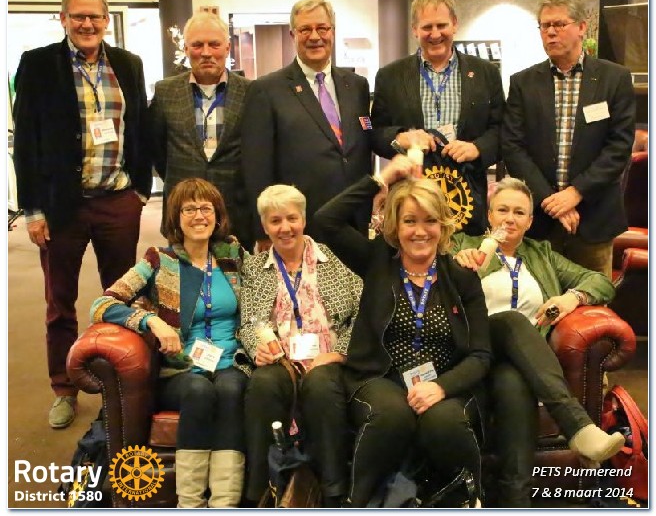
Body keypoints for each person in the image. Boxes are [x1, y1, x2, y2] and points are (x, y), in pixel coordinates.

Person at [12, 0, 151, 429]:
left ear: (107, 20)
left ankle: (119, 385)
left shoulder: (128, 64)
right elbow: (26, 141)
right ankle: (64, 389)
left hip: (117, 202)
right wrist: (33, 210)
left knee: (122, 298)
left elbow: (140, 127)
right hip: (62, 208)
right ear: (63, 19)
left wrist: (140, 191)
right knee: (60, 302)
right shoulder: (38, 65)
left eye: (95, 16)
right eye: (78, 16)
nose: (87, 24)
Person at [314, 155, 491, 507]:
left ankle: (470, 501)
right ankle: (356, 504)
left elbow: (480, 355)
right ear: (395, 225)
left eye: (429, 220)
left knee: (444, 421)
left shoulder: (461, 277)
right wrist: (382, 178)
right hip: (383, 379)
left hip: (445, 382)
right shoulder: (377, 261)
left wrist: (440, 387)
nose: (420, 231)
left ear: (443, 225)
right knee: (391, 415)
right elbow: (324, 220)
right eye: (410, 221)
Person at [452, 177, 625, 507]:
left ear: (530, 221)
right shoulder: (464, 246)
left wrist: (571, 297)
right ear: (489, 215)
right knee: (512, 320)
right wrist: (468, 261)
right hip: (475, 348)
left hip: (521, 363)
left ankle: (516, 502)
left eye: (519, 213)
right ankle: (577, 426)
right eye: (502, 210)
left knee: (513, 384)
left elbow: (601, 281)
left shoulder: (541, 254)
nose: (510, 219)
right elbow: (439, 287)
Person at [90, 178, 247, 508]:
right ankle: (189, 504)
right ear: (176, 217)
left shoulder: (232, 255)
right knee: (199, 391)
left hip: (230, 361)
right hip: (182, 370)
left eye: (206, 208)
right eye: (189, 209)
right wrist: (152, 321)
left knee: (232, 389)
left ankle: (225, 503)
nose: (199, 216)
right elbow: (103, 304)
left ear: (218, 215)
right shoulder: (160, 260)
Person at [238, 184, 362, 507]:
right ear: (265, 226)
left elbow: (362, 313)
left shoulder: (332, 259)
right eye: (275, 220)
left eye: (291, 218)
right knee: (263, 384)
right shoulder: (254, 268)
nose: (285, 228)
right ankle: (260, 492)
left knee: (321, 385)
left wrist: (339, 352)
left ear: (303, 220)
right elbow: (249, 322)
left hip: (327, 358)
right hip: (281, 361)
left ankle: (333, 492)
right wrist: (258, 347)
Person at [241, 0, 396, 247]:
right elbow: (256, 168)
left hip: (354, 221)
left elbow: (362, 142)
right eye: (305, 29)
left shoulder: (356, 85)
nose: (315, 36)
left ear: (332, 31)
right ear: (293, 35)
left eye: (322, 28)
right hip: (300, 225)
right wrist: (263, 231)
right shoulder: (267, 90)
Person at [502, 0, 635, 278]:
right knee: (538, 297)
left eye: (559, 24)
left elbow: (619, 147)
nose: (551, 32)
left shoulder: (615, 79)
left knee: (593, 296)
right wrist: (553, 201)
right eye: (545, 25)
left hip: (594, 219)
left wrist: (575, 193)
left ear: (582, 27)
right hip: (540, 220)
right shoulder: (523, 83)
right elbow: (512, 146)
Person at [371, 0, 504, 235]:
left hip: (466, 198)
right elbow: (374, 133)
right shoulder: (390, 76)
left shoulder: (486, 73)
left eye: (441, 25)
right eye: (427, 27)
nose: (435, 34)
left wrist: (478, 148)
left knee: (466, 258)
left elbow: (501, 130)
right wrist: (400, 137)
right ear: (415, 29)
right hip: (410, 199)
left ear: (454, 24)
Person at [150, 11, 253, 250]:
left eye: (214, 44)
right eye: (197, 45)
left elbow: (257, 152)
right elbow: (156, 148)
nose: (206, 52)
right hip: (182, 211)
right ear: (186, 49)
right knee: (183, 273)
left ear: (227, 48)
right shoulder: (166, 92)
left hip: (235, 212)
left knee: (235, 273)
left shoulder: (251, 92)